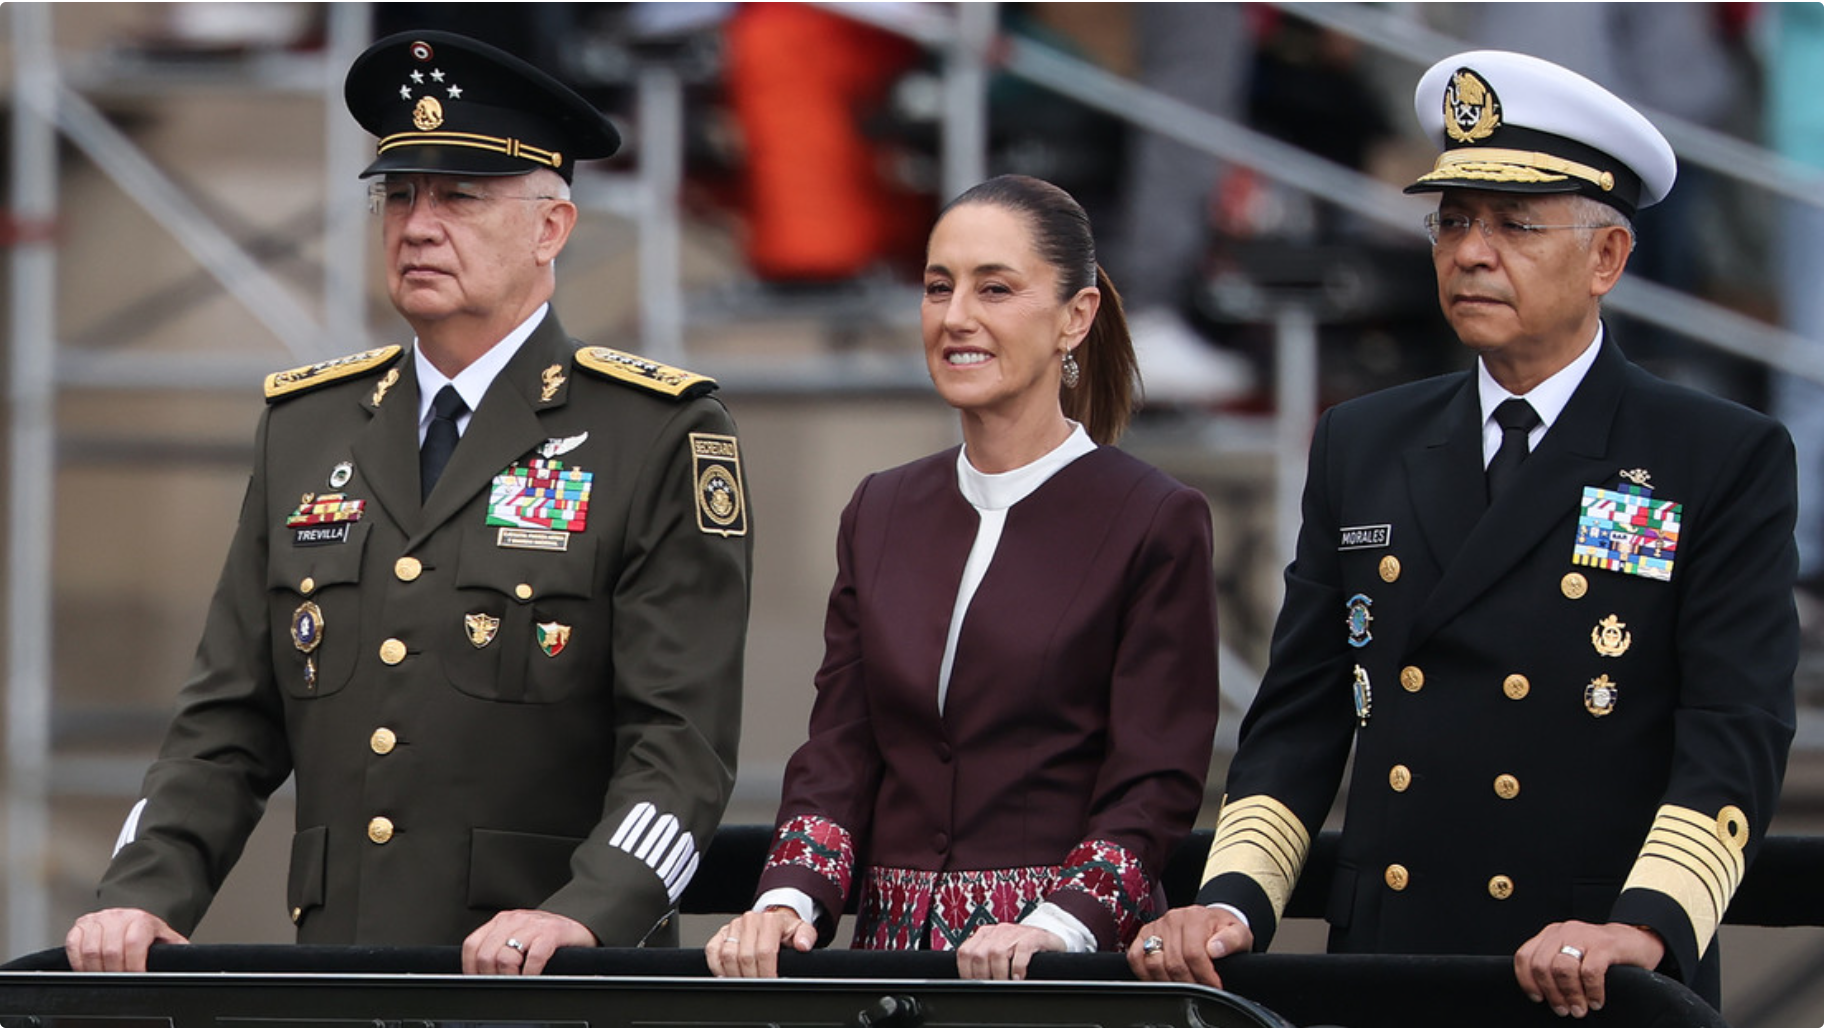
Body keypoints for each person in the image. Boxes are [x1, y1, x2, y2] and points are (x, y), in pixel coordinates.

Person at [64, 31, 751, 976]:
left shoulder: (653, 431)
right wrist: (143, 892)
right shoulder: (307, 427)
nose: (418, 225)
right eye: (399, 194)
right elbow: (226, 722)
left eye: (460, 196)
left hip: (545, 978)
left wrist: (589, 914)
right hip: (344, 967)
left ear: (551, 229)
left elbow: (682, 750)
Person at [1128, 50, 1797, 1019]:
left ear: (1606, 258)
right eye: (1451, 221)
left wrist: (1645, 924)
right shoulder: (1363, 438)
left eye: (1516, 226)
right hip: (1393, 958)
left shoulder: (1714, 453)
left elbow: (1733, 728)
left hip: (1590, 970)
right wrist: (1233, 898)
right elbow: (1300, 711)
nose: (1472, 252)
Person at [705, 175, 1220, 980]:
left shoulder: (1154, 516)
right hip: (890, 969)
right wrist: (787, 901)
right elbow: (840, 746)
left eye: (996, 289)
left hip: (1058, 972)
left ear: (1075, 318)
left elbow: (1153, 779)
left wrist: (1058, 927)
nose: (956, 317)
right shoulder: (881, 507)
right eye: (937, 287)